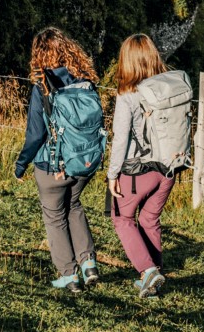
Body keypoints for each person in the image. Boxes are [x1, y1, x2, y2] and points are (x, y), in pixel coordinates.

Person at [13, 27, 107, 294]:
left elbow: (35, 134)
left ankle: (69, 275)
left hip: (52, 165)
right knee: (74, 205)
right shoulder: (85, 80)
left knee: (55, 216)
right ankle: (88, 263)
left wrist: (21, 165)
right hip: (84, 161)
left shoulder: (42, 86)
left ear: (38, 55)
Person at [107, 33, 192, 298]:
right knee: (149, 219)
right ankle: (154, 275)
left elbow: (121, 139)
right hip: (168, 168)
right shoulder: (168, 88)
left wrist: (112, 174)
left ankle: (147, 271)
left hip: (138, 171)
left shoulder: (128, 95)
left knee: (121, 218)